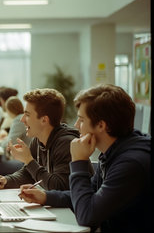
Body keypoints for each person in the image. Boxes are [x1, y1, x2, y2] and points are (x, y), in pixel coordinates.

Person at [18, 84, 151, 233]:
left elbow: (87, 215)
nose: (76, 125)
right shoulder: (114, 152)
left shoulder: (131, 164)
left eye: (81, 120)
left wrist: (78, 161)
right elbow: (90, 194)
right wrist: (46, 197)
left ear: (101, 125)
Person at [0, 88, 85, 190]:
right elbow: (27, 174)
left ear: (44, 120)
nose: (22, 120)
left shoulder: (66, 144)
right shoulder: (37, 140)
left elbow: (58, 186)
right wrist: (7, 180)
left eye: (27, 115)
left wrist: (28, 160)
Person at [0, 96, 32, 175]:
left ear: (9, 110)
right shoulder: (22, 118)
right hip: (29, 160)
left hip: (25, 163)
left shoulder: (18, 120)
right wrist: (6, 138)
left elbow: (9, 144)